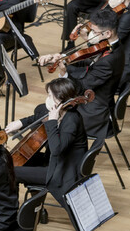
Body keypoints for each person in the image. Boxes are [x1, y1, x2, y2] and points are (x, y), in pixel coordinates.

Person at [40, 8, 124, 141]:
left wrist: (64, 73)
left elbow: (81, 87)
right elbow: (88, 59)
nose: (92, 35)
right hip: (96, 98)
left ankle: (57, 154)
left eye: (95, 32)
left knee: (43, 113)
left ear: (107, 33)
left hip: (92, 110)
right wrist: (62, 58)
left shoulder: (109, 61)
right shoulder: (112, 45)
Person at [5, 78, 88, 208]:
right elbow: (38, 116)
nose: (47, 98)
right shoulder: (58, 111)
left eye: (50, 95)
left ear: (60, 98)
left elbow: (57, 149)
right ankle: (37, 206)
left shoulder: (72, 120)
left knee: (11, 172)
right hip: (53, 161)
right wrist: (19, 123)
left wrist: (52, 122)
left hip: (61, 171)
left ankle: (11, 210)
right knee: (12, 161)